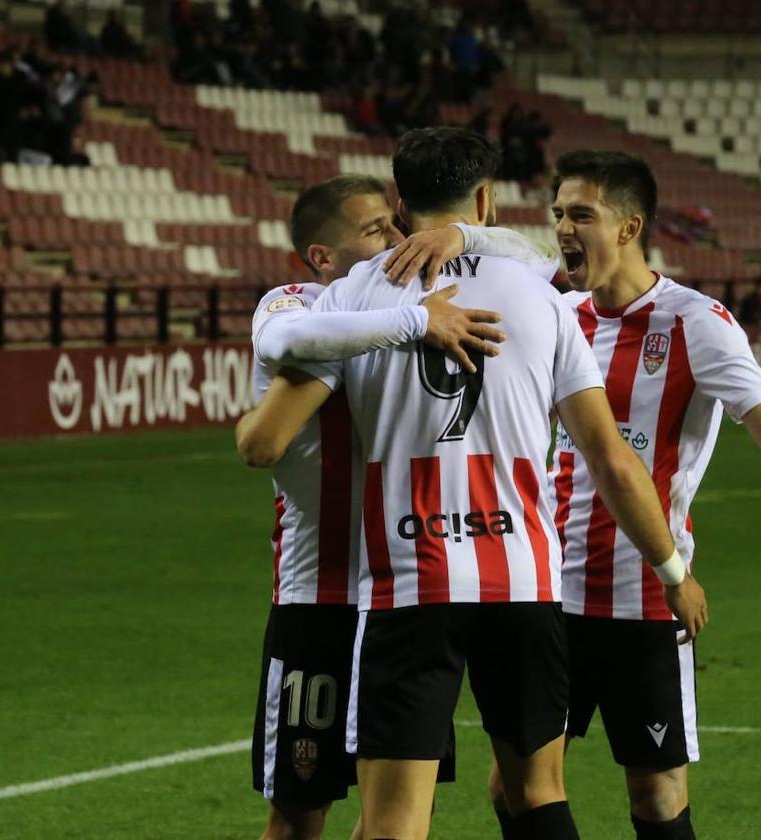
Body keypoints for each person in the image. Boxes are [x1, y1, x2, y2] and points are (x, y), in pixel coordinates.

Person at [381, 149, 761, 840]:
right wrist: (457, 235)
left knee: (655, 795)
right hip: (545, 594)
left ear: (629, 226)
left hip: (642, 593)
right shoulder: (555, 311)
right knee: (516, 786)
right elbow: (504, 264)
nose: (562, 227)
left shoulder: (694, 321)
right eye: (557, 212)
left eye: (581, 214)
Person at [237, 129, 708, 840]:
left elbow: (264, 436)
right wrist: (671, 567)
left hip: (409, 581)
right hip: (522, 580)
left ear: (402, 201)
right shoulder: (542, 297)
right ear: (484, 198)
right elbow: (610, 457)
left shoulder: (353, 299)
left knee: (392, 822)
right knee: (539, 794)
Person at [238, 174, 561, 840]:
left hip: (409, 592)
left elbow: (537, 261)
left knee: (398, 815)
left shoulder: (434, 291)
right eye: (374, 229)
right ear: (323, 258)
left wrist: (461, 234)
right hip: (322, 598)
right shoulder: (297, 304)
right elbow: (276, 365)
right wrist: (418, 322)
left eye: (396, 223)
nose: (396, 237)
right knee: (299, 818)